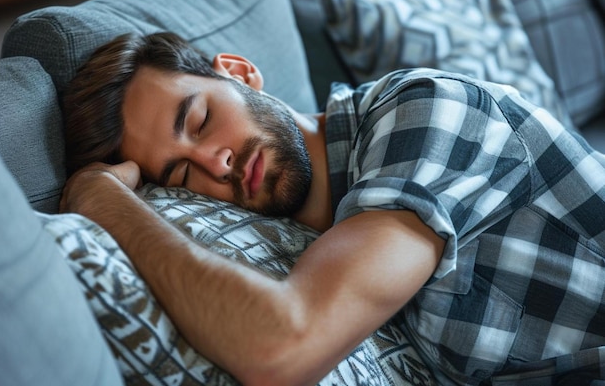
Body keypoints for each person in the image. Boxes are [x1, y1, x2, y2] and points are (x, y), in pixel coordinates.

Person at [60, 32, 605, 386]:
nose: (215, 163)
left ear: (239, 72)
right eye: (181, 175)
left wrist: (100, 199)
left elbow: (282, 347)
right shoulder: (327, 240)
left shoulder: (424, 112)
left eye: (200, 119)